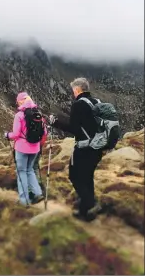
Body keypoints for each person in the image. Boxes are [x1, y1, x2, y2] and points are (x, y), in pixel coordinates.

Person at [49, 77, 103, 221]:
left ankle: (91, 203)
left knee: (74, 176)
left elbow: (74, 128)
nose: (73, 93)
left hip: (84, 147)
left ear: (78, 89)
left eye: (73, 90)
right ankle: (85, 211)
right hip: (98, 147)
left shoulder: (78, 104)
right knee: (87, 176)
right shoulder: (97, 102)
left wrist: (56, 123)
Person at [5, 92, 47, 206]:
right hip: (35, 148)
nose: (18, 103)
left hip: (22, 148)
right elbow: (44, 132)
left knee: (22, 172)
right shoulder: (38, 113)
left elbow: (16, 134)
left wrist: (7, 135)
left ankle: (25, 200)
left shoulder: (19, 115)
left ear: (22, 101)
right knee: (30, 170)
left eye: (18, 101)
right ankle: (38, 193)